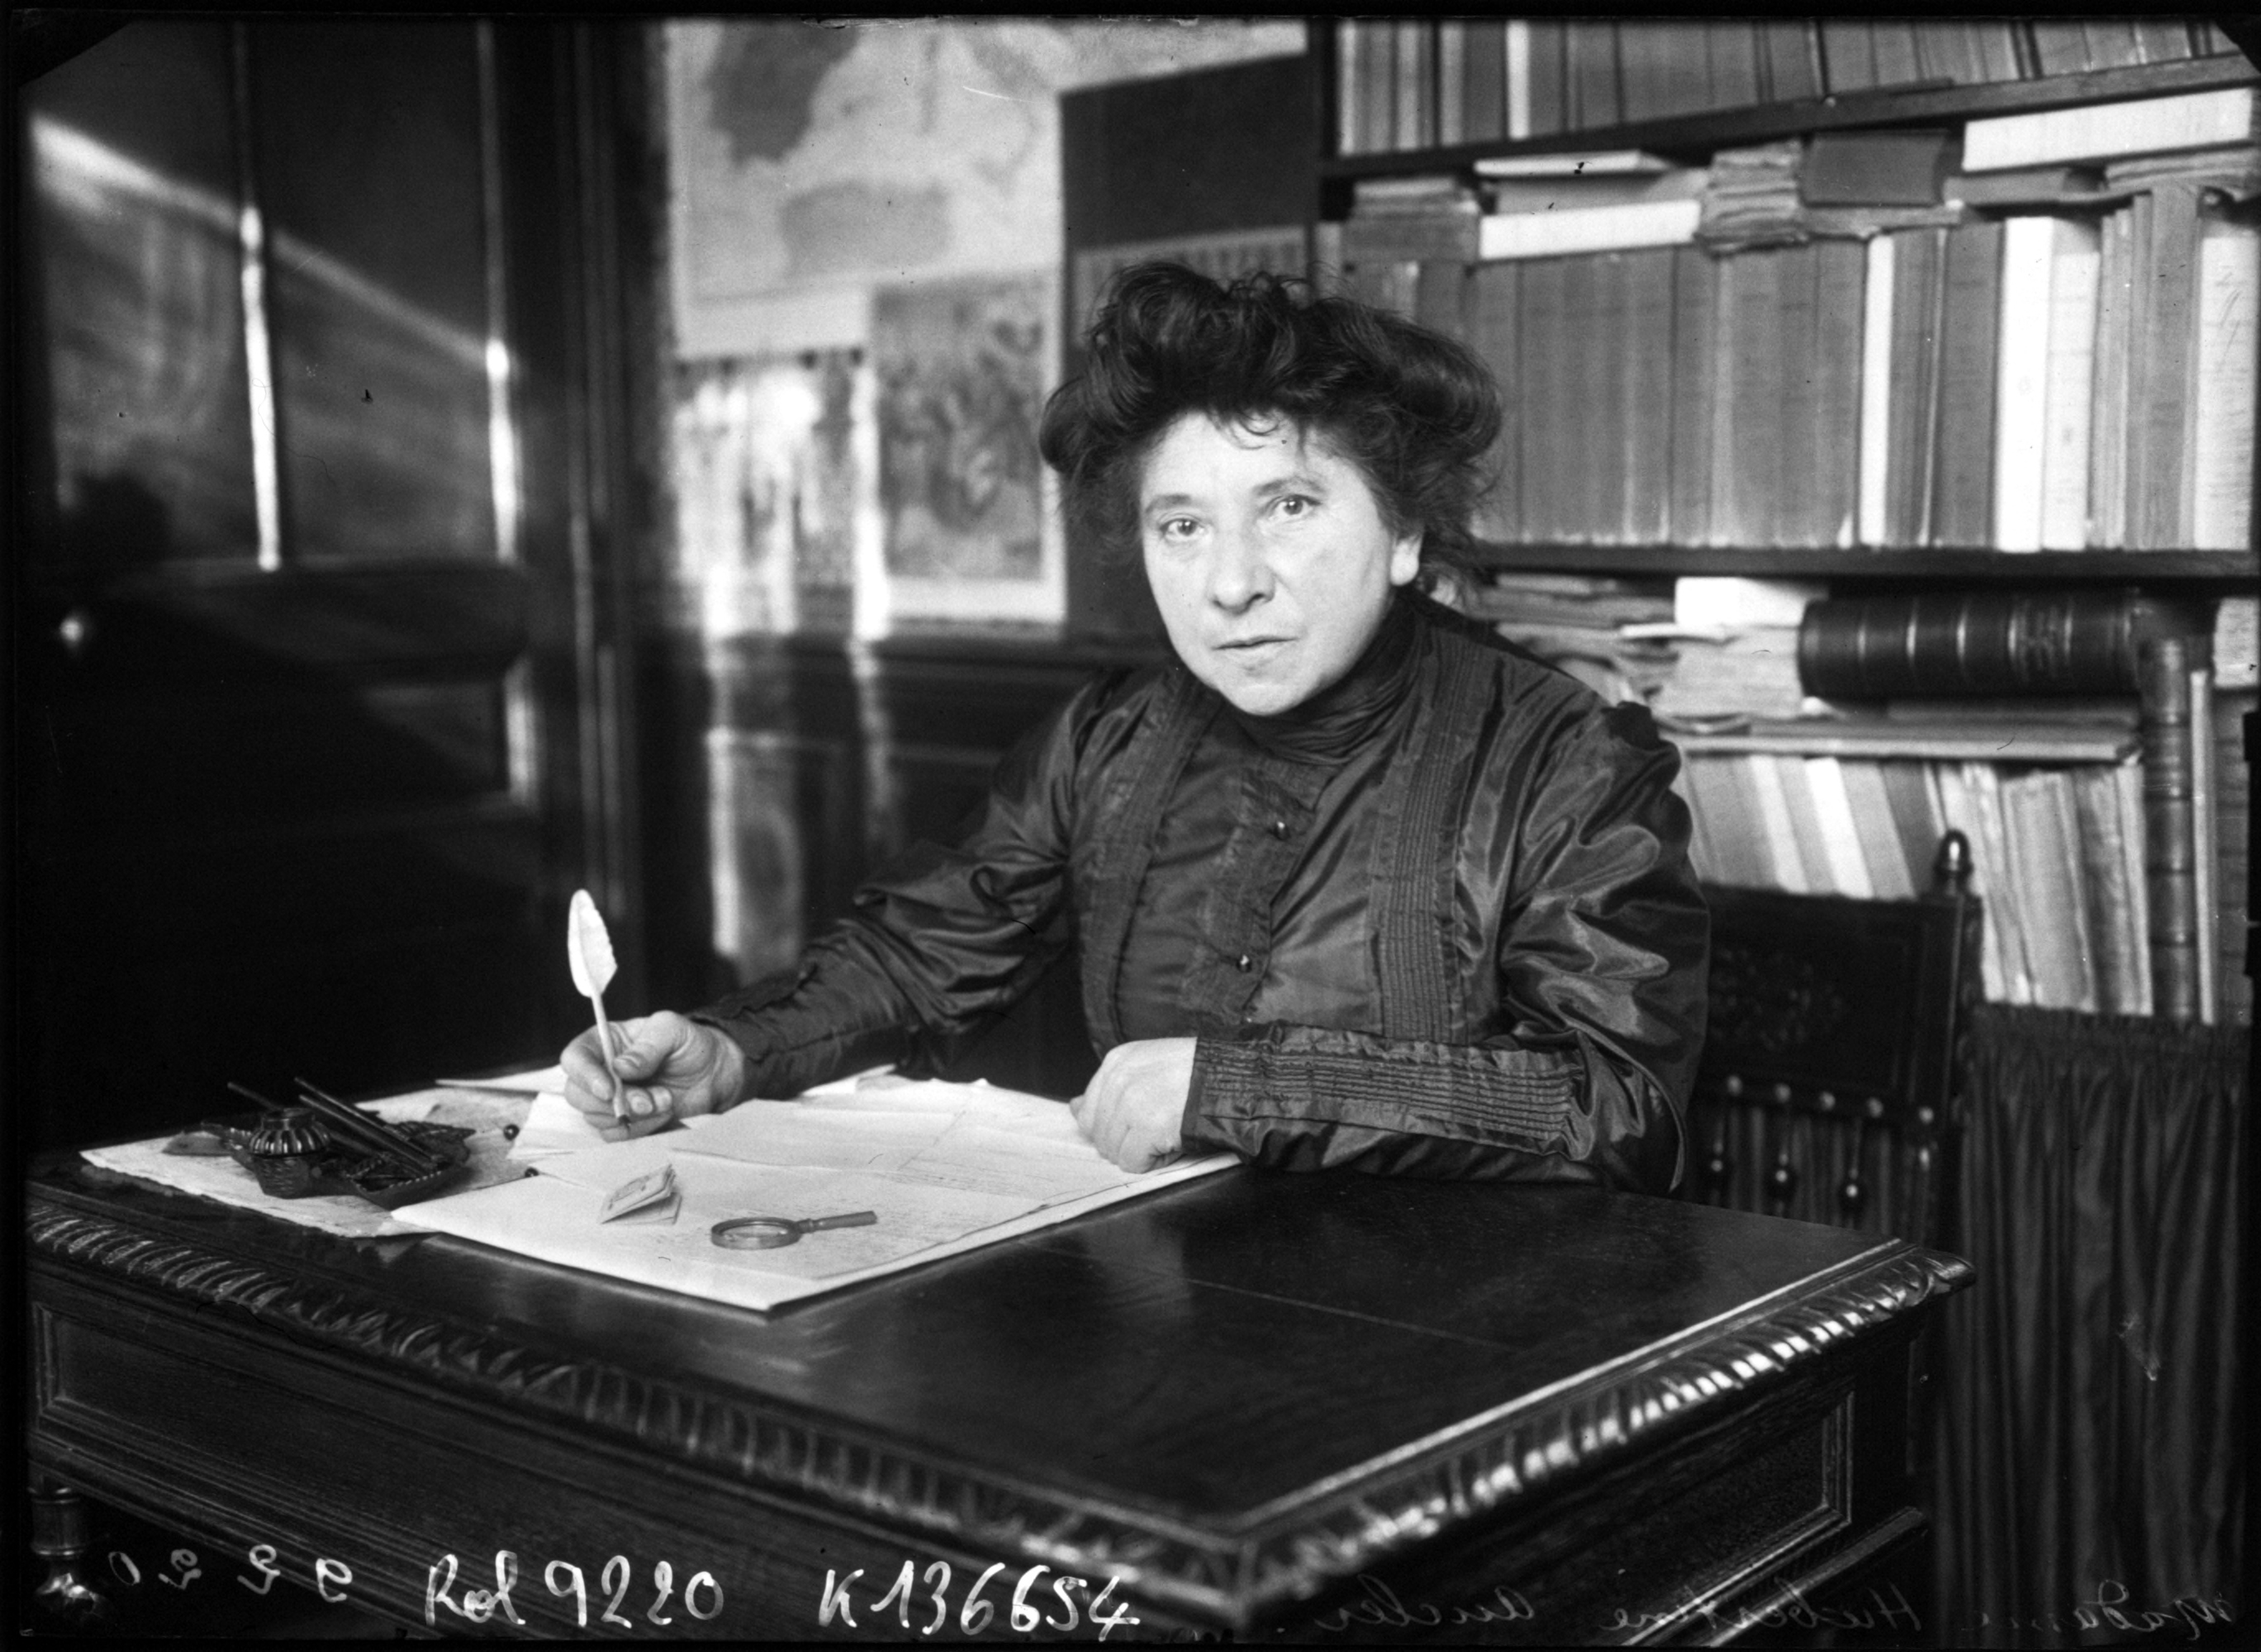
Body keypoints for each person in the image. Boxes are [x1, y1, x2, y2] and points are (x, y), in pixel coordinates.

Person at [561, 262, 1707, 1192]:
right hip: (1164, 1311)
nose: (1232, 584)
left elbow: (1616, 1104)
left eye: (1289, 507)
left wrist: (1239, 1088)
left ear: (1405, 535)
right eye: (1182, 527)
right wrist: (733, 1051)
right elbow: (919, 958)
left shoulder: (1567, 760)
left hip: (1467, 1340)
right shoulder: (1107, 739)